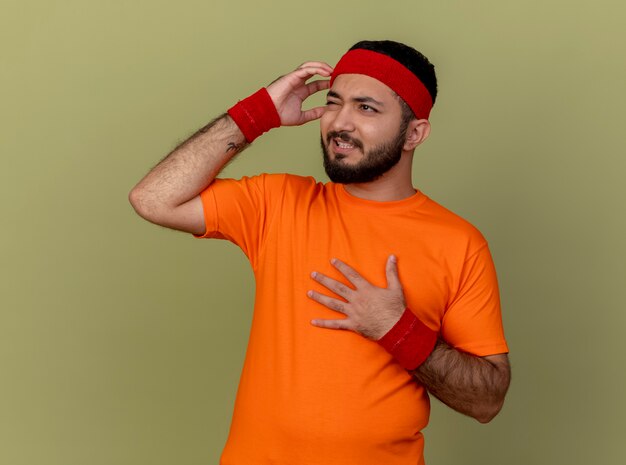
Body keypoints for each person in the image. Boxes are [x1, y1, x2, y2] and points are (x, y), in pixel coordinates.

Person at [129, 40, 511, 465]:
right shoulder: (279, 203)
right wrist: (257, 114)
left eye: (366, 108)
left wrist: (395, 328)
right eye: (334, 102)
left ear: (415, 133)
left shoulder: (458, 242)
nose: (340, 122)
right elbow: (153, 198)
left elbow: (487, 400)